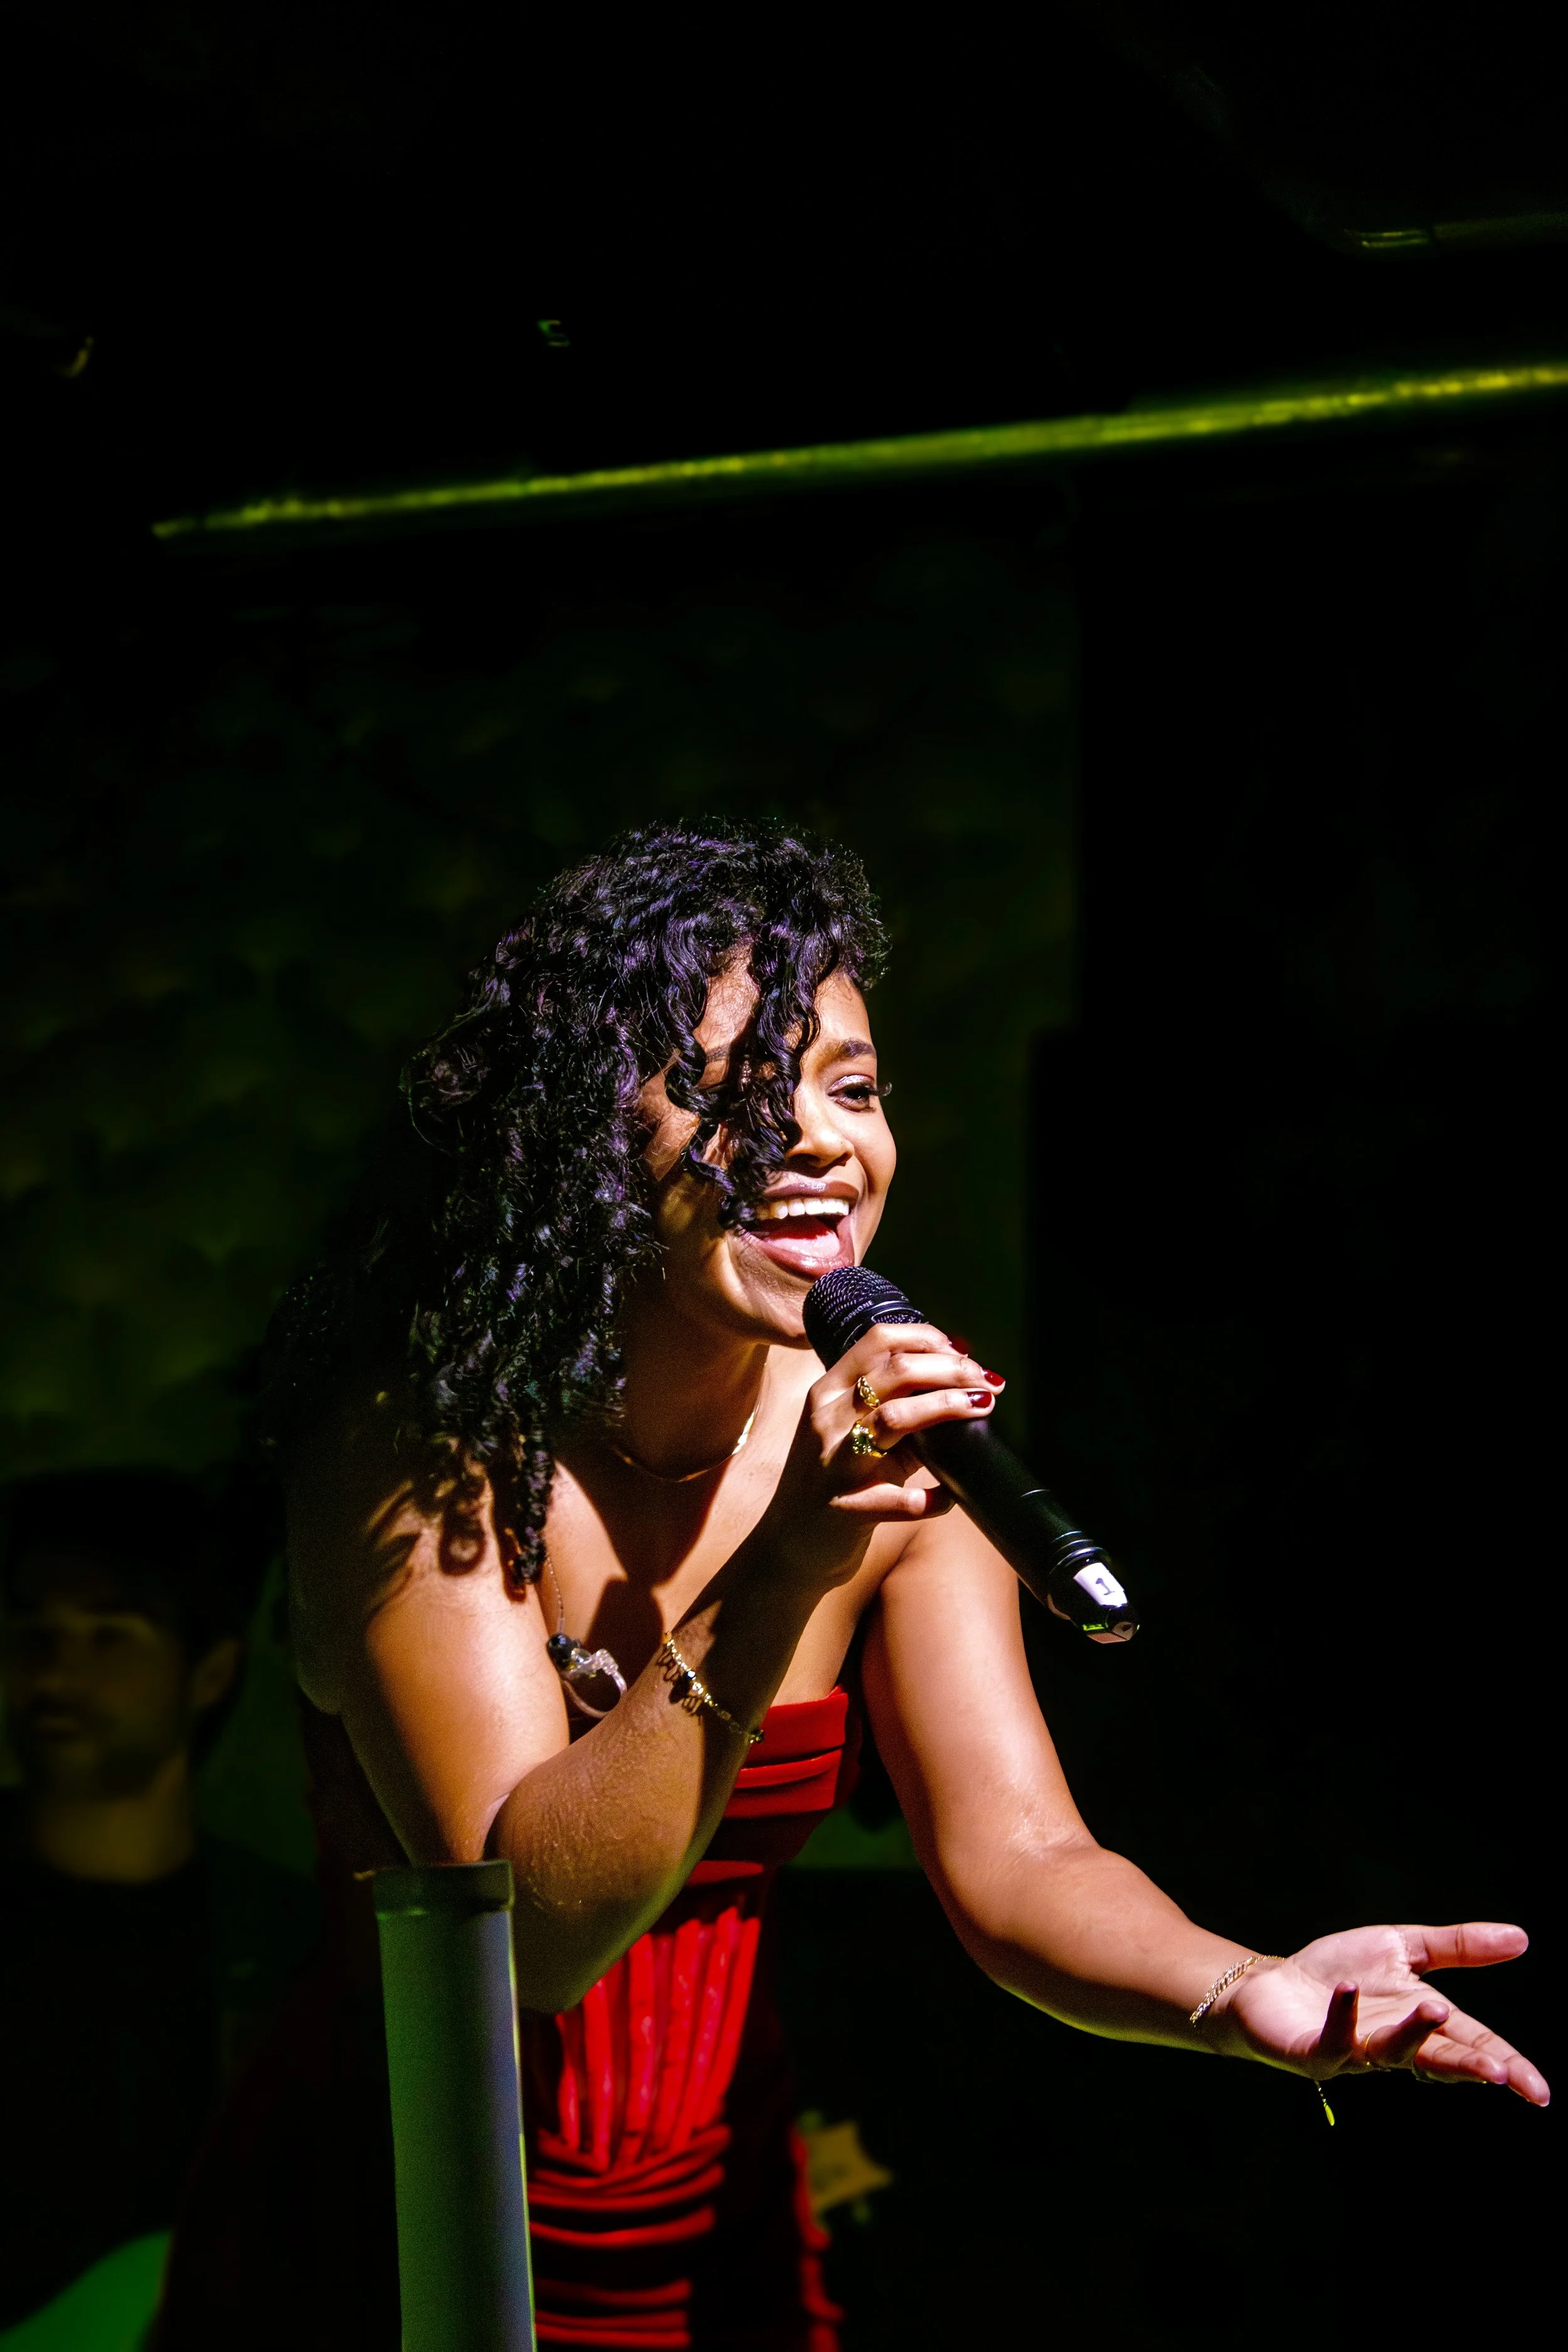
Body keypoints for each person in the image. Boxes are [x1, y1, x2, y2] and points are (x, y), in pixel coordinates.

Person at [155, 820, 1547, 2352]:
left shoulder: (894, 1438)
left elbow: (1021, 1859)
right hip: (409, 2225)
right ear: (574, 1134)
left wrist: (1240, 1994)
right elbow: (531, 1941)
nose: (817, 1136)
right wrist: (782, 1569)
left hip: (707, 2227)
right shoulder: (426, 1453)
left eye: (852, 1088)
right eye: (736, 1092)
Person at [0, 1469, 320, 2332]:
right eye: (31, 1630)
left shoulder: (285, 1946)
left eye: (109, 1634)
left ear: (211, 1670)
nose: (55, 1670)